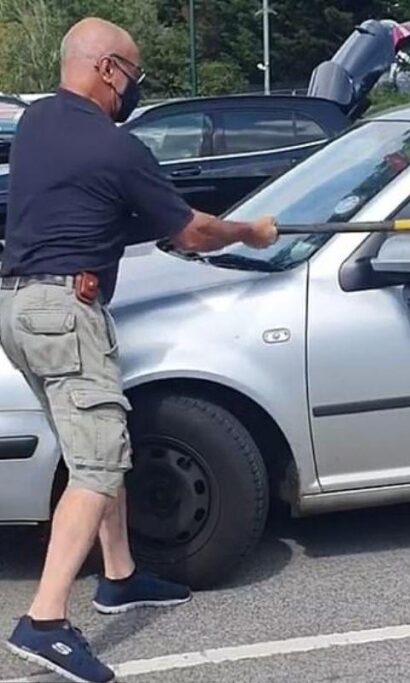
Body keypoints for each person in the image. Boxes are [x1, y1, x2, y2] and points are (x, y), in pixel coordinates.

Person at [1, 18, 277, 683]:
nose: (135, 88)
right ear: (106, 70)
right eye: (132, 73)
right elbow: (195, 230)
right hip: (65, 309)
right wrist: (251, 230)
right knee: (98, 460)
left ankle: (119, 573)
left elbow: (88, 206)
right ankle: (44, 620)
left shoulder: (38, 124)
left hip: (18, 305)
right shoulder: (114, 148)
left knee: (98, 436)